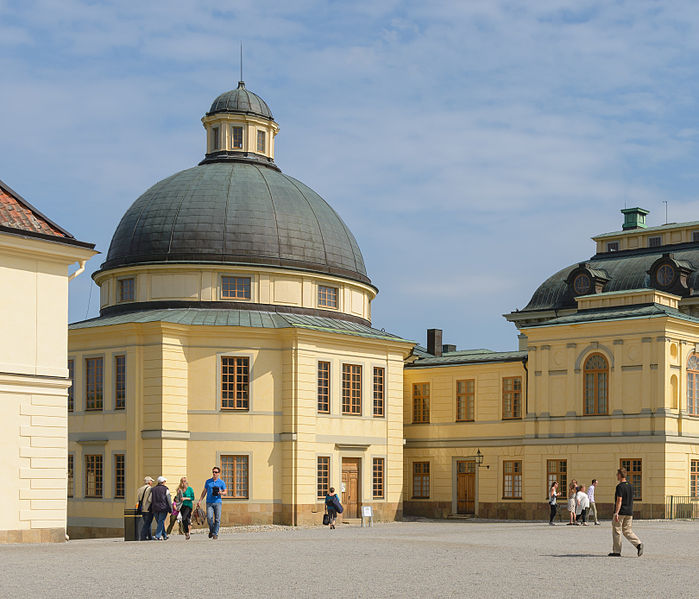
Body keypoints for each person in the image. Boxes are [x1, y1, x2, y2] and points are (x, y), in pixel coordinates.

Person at [609, 468, 643, 557]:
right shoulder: (631, 486)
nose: (616, 476)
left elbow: (619, 500)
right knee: (627, 531)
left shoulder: (620, 486)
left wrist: (616, 512)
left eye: (617, 474)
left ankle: (617, 551)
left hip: (621, 512)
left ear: (620, 475)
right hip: (629, 511)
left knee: (617, 530)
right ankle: (638, 544)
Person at [197, 466, 227, 539]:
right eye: (213, 472)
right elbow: (204, 491)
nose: (214, 473)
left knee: (217, 519)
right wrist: (200, 500)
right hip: (209, 502)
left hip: (218, 502)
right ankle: (212, 530)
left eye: (216, 472)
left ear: (218, 473)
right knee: (209, 518)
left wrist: (221, 492)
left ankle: (215, 533)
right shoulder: (208, 481)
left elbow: (225, 492)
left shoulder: (221, 482)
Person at [150, 476, 173, 541]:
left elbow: (150, 499)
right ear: (163, 482)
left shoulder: (153, 489)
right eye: (165, 481)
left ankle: (165, 535)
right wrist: (171, 508)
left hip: (155, 508)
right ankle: (158, 536)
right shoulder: (166, 489)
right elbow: (169, 499)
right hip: (163, 507)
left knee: (160, 522)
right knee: (161, 521)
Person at [135, 476, 154, 541]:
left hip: (142, 508)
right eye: (151, 481)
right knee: (148, 523)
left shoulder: (140, 489)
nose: (152, 482)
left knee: (146, 522)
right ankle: (146, 536)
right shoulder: (150, 489)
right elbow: (150, 499)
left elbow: (137, 499)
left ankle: (148, 536)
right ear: (149, 482)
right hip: (148, 508)